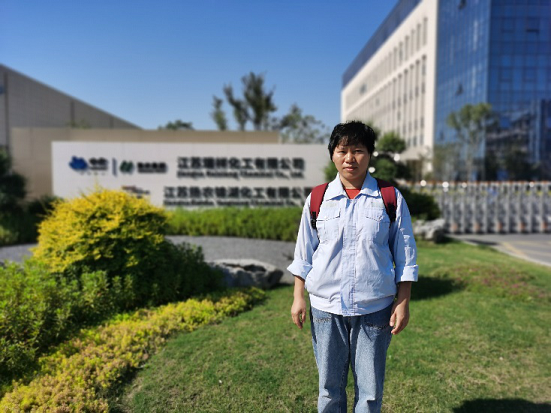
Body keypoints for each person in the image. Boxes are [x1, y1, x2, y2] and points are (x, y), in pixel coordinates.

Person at [288, 121, 418, 413]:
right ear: (332, 154)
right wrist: (298, 296)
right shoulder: (318, 198)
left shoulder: (389, 198)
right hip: (326, 308)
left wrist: (403, 301)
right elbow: (304, 252)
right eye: (342, 150)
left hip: (374, 308)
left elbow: (405, 254)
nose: (350, 158)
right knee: (329, 389)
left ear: (369, 154)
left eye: (358, 150)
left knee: (370, 391)